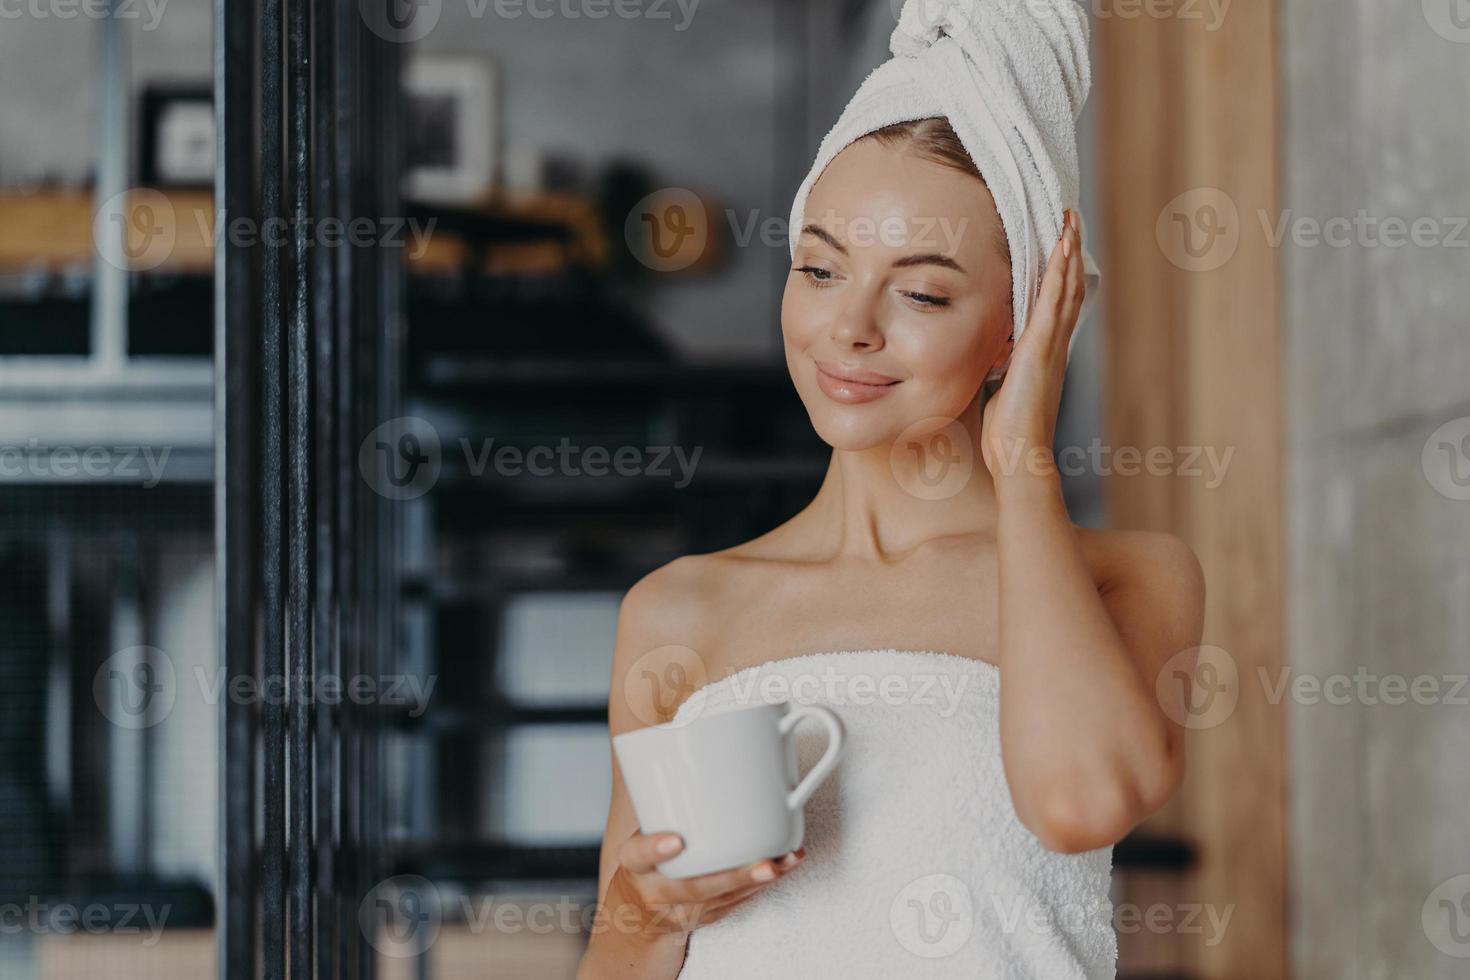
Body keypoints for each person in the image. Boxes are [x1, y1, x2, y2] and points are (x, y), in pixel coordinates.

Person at [579, 4, 1204, 977]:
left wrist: (1025, 460)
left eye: (920, 291)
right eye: (820, 268)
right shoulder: (677, 609)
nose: (849, 328)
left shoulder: (1128, 581)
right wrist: (644, 911)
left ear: (1025, 319)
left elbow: (1080, 801)